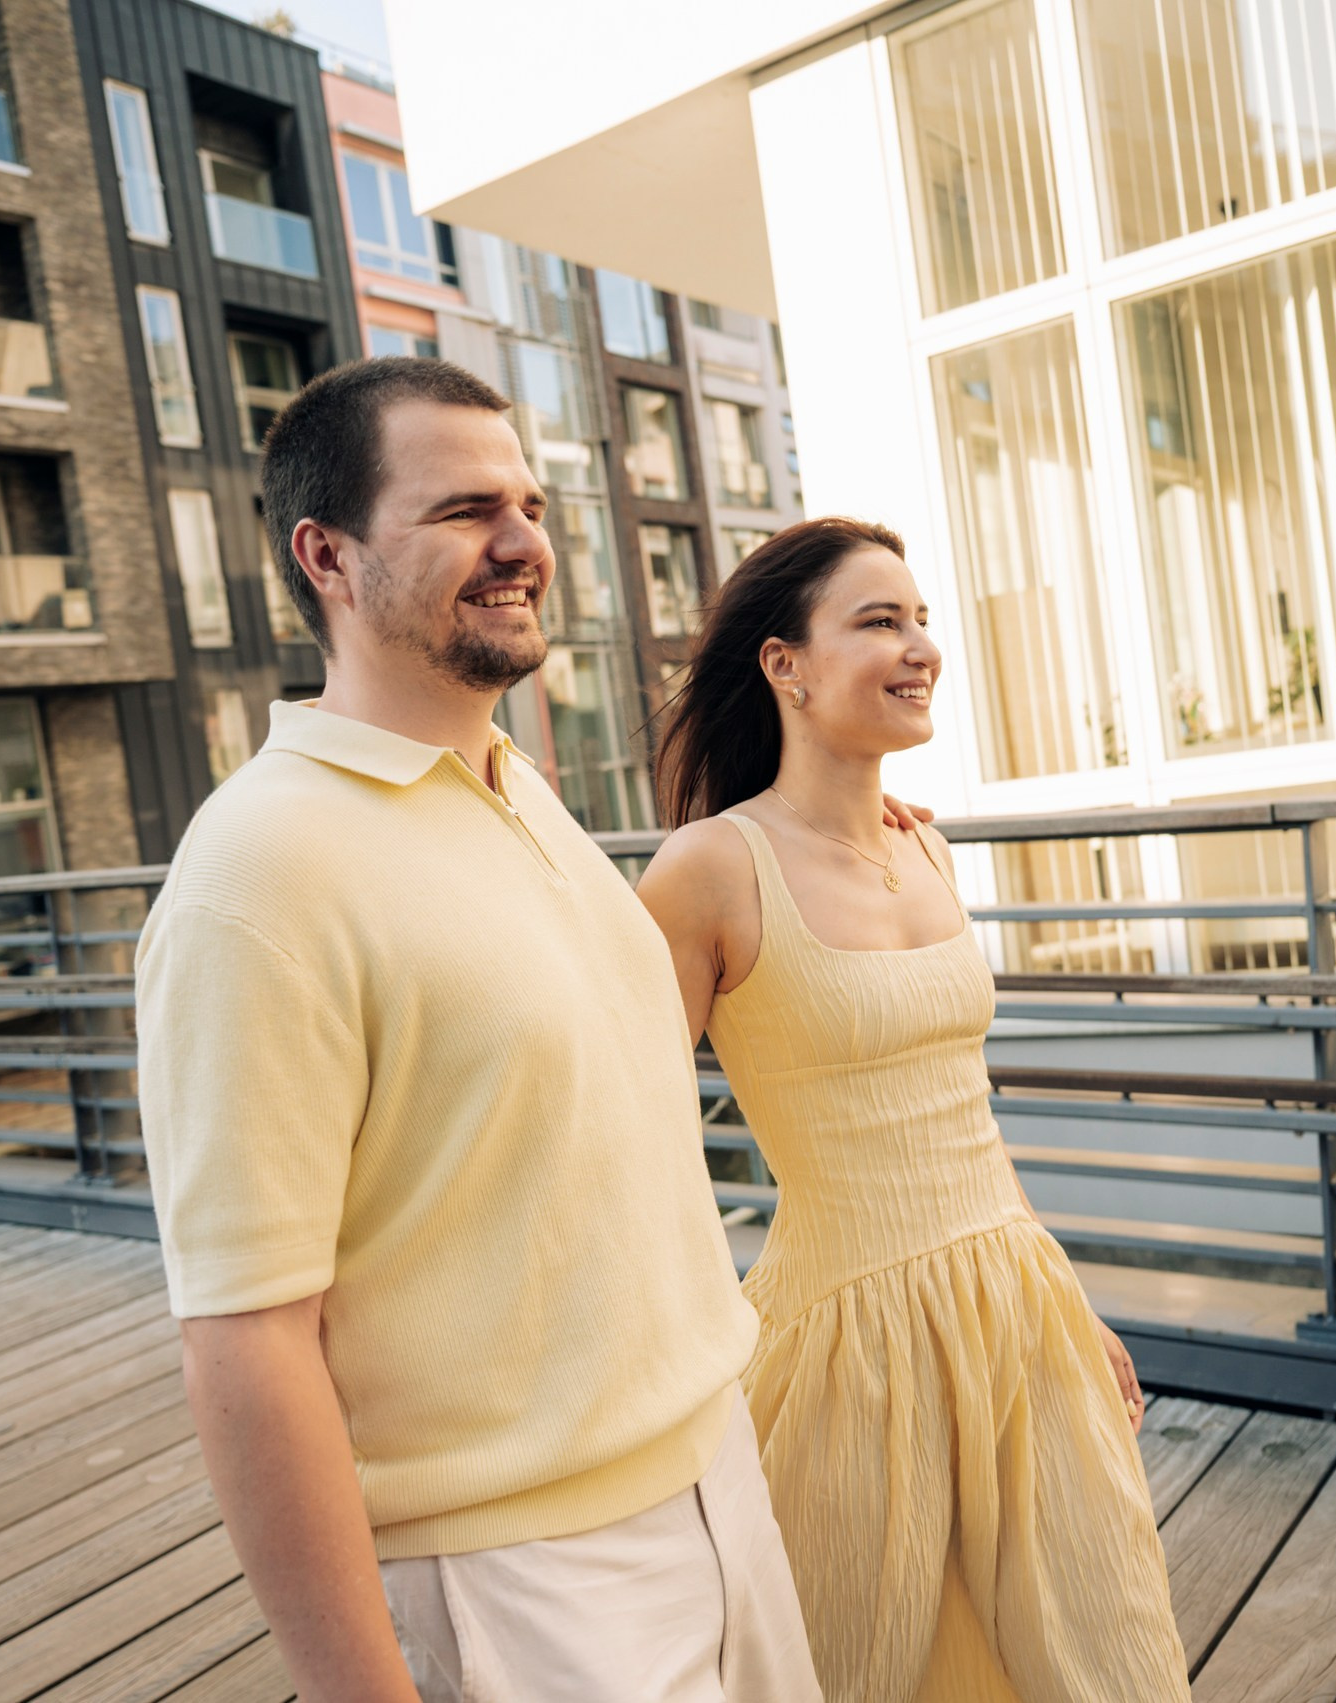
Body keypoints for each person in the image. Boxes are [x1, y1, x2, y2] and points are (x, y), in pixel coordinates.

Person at [135, 358, 827, 1702]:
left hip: (712, 1474)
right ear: (326, 556)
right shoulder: (256, 875)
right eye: (463, 510)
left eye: (529, 504)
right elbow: (245, 1340)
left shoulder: (512, 781)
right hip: (519, 1569)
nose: (522, 543)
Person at [637, 519, 1193, 1703]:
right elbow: (631, 1132)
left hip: (1016, 1310)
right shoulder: (708, 868)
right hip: (846, 1341)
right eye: (879, 620)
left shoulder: (927, 846)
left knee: (1112, 1652)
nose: (921, 646)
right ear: (785, 664)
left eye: (922, 619)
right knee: (865, 1663)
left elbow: (960, 1112)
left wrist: (1063, 1292)